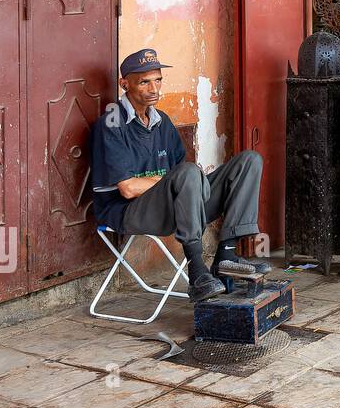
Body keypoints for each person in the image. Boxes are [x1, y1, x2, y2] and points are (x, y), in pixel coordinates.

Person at [90, 49, 269, 302]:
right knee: (187, 174)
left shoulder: (161, 121)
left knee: (249, 161)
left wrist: (178, 183)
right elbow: (128, 189)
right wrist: (173, 182)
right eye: (144, 82)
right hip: (129, 211)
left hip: (175, 205)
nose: (154, 88)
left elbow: (184, 180)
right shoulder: (111, 123)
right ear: (124, 83)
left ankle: (226, 256)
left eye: (158, 80)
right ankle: (197, 272)